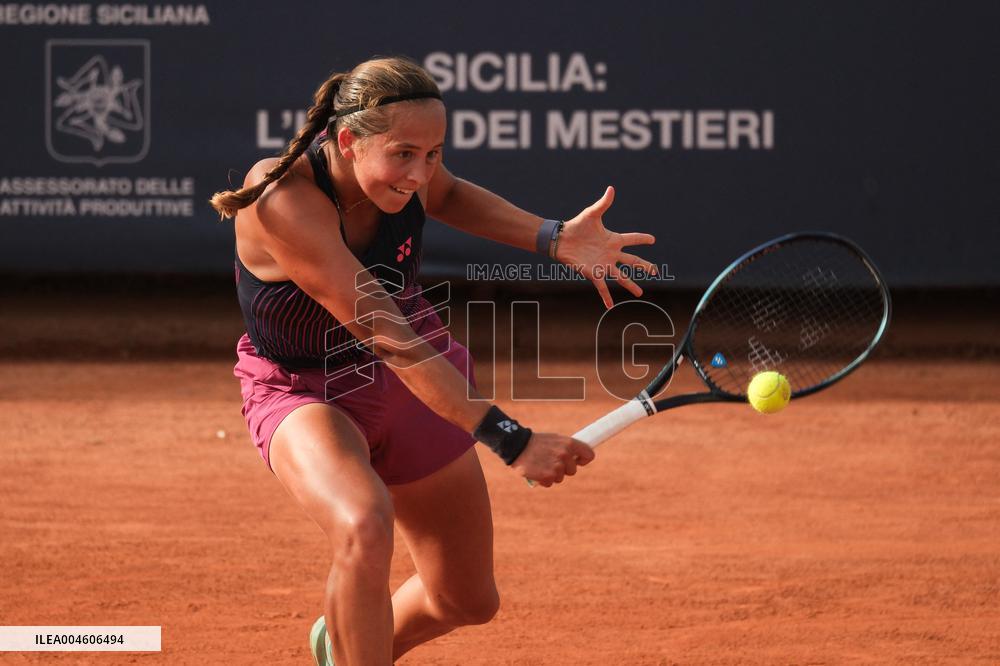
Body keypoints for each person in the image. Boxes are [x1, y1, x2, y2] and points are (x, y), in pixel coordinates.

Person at [210, 56, 656, 666]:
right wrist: (510, 439)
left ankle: (345, 643)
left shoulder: (410, 172)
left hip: (413, 373)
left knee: (465, 599)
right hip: (306, 389)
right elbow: (387, 334)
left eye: (434, 154)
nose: (419, 174)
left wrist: (554, 237)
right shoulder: (282, 198)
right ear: (348, 140)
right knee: (363, 523)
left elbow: (448, 193)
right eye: (404, 155)